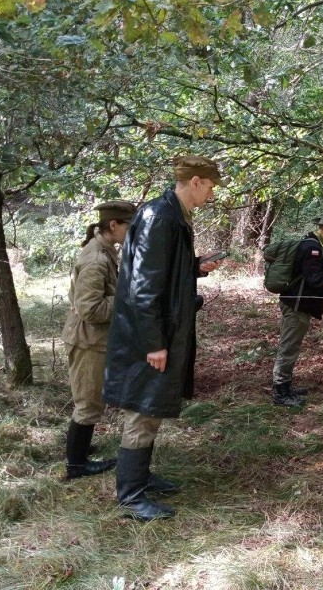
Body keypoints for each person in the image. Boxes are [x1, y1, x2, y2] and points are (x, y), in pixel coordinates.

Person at [103, 155, 225, 520]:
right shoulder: (160, 216)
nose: (212, 193)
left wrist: (195, 266)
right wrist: (154, 343)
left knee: (151, 407)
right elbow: (143, 287)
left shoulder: (173, 214)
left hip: (161, 331)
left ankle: (141, 477)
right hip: (149, 337)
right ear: (196, 181)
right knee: (143, 409)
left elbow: (165, 270)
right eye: (211, 186)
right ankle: (130, 495)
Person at [62, 200, 137, 480]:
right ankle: (76, 466)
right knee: (88, 404)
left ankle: (79, 455)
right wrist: (127, 300)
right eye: (131, 227)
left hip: (95, 339)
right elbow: (90, 309)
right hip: (87, 340)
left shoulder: (105, 251)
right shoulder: (96, 258)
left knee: (92, 401)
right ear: (114, 225)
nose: (134, 232)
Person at [272, 213, 323, 407]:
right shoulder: (312, 247)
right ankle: (280, 392)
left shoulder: (313, 244)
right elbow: (314, 278)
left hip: (299, 304)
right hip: (296, 305)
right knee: (289, 346)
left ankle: (286, 386)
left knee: (292, 345)